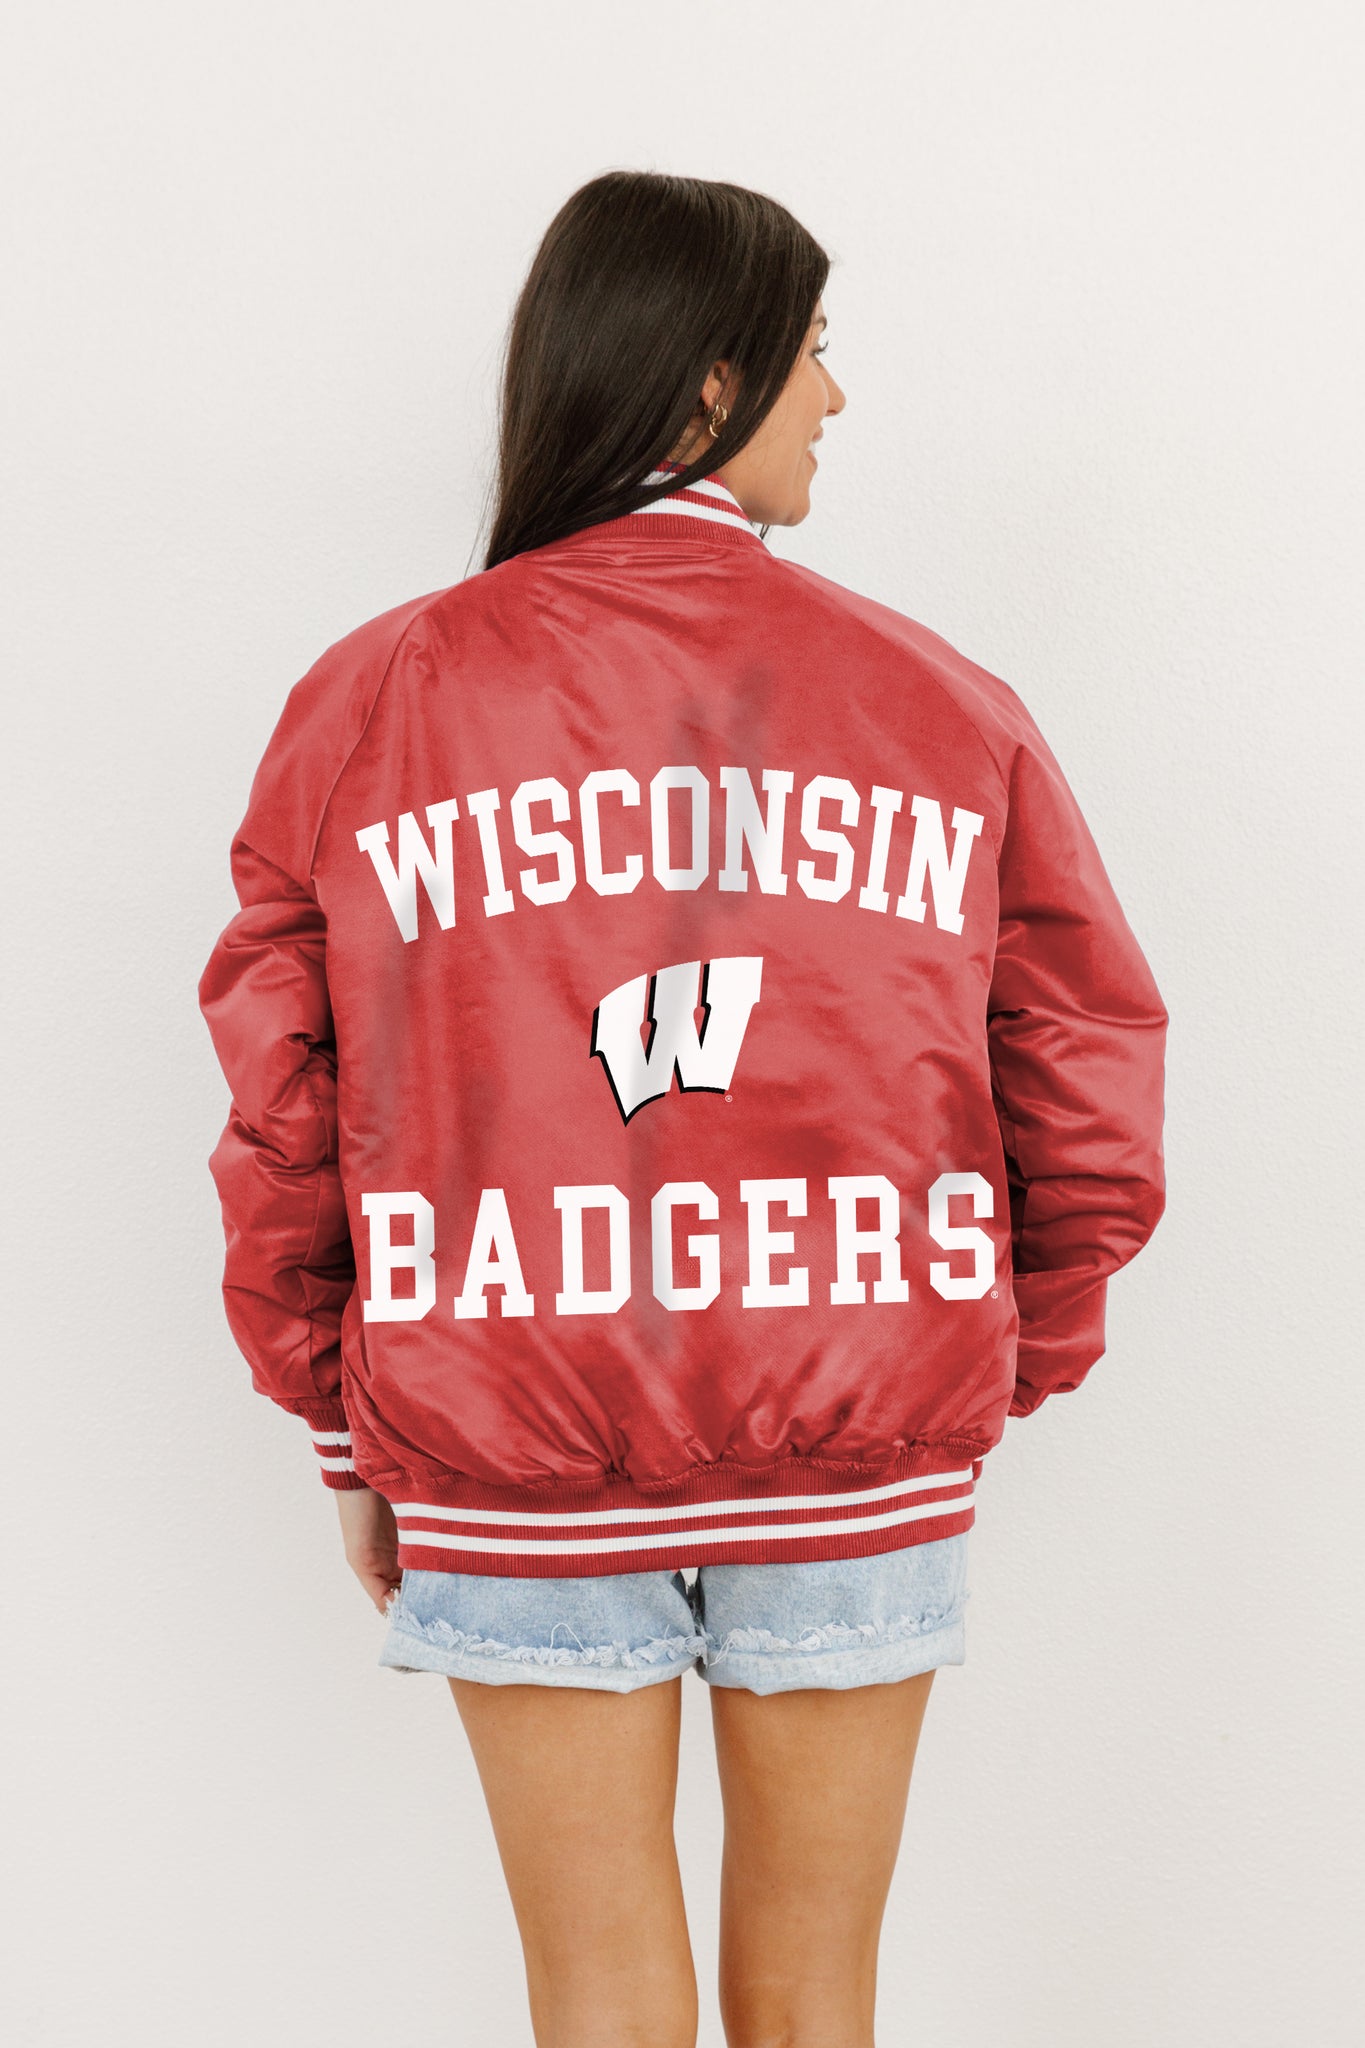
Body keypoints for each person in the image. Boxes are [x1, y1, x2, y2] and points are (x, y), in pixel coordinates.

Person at [199, 171, 1168, 2048]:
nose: (836, 396)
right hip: (854, 1412)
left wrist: (342, 1419)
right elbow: (1085, 1066)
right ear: (712, 378)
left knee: (592, 1994)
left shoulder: (375, 696)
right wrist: (992, 1354)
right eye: (814, 352)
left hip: (507, 1417)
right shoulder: (936, 700)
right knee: (817, 1999)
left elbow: (283, 1104)